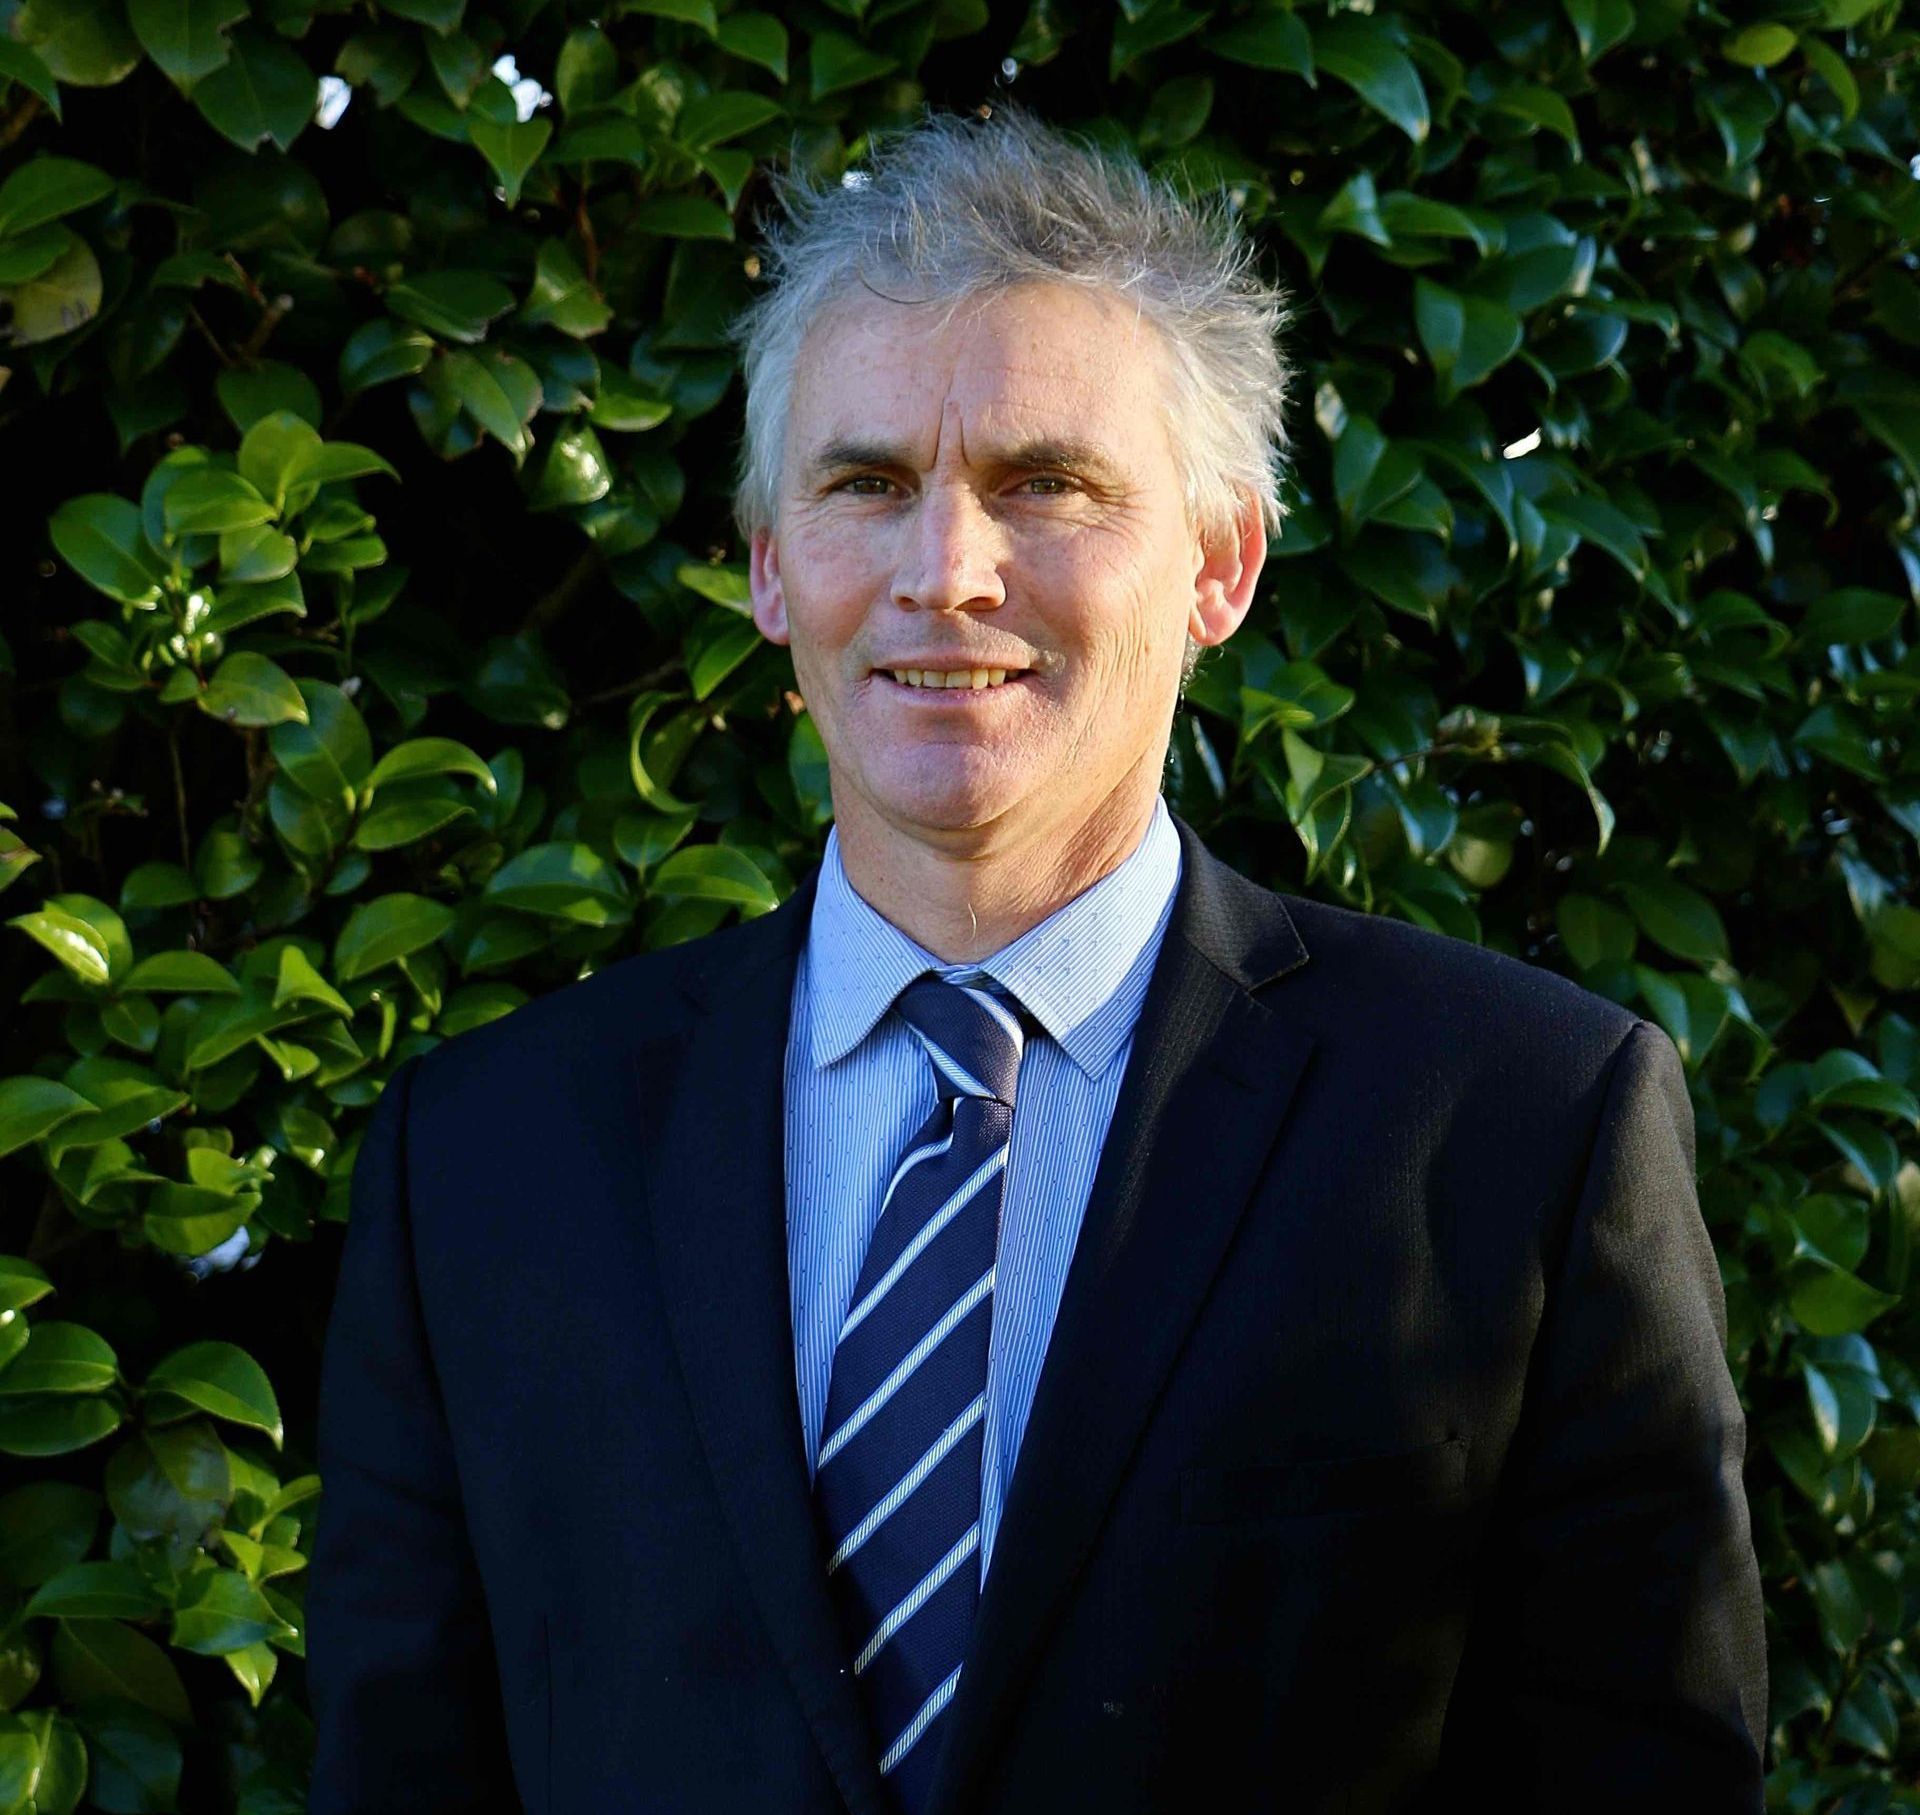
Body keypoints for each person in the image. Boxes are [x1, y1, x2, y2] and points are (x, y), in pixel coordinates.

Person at [305, 101, 1767, 1814]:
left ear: (1220, 563)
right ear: (774, 570)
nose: (946, 573)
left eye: (1045, 484)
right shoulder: (487, 1160)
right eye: (865, 485)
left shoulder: (1519, 1126)